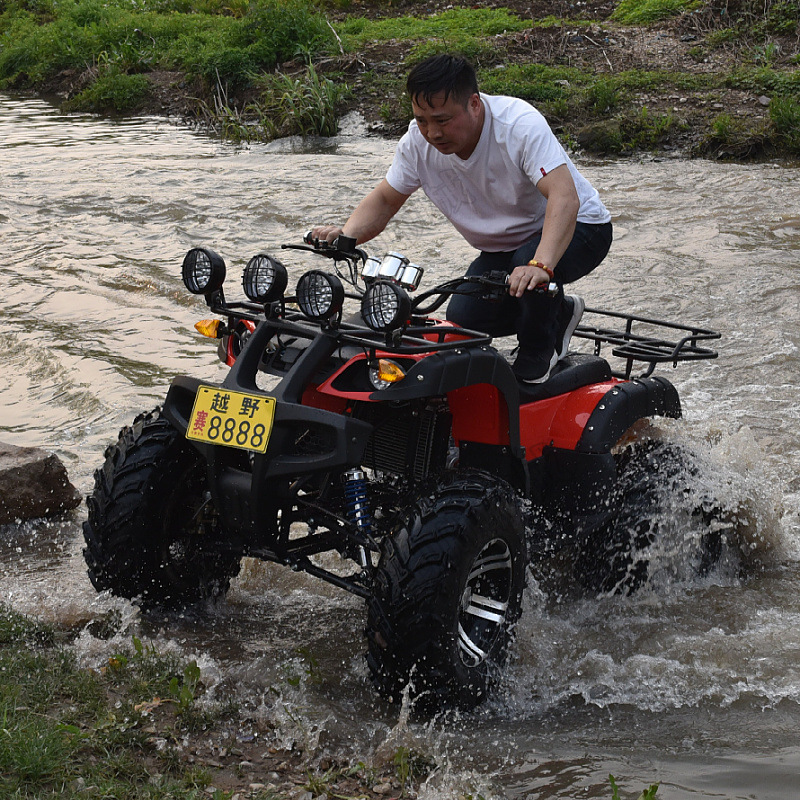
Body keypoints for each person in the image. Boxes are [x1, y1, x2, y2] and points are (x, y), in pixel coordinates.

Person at [312, 54, 612, 383]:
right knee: (464, 319)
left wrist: (541, 265)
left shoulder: (518, 125)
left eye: (443, 120)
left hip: (580, 227)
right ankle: (560, 309)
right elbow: (385, 199)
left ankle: (540, 350)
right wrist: (346, 236)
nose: (432, 133)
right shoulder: (416, 143)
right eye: (422, 120)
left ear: (474, 104)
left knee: (528, 267)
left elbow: (564, 197)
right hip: (505, 247)